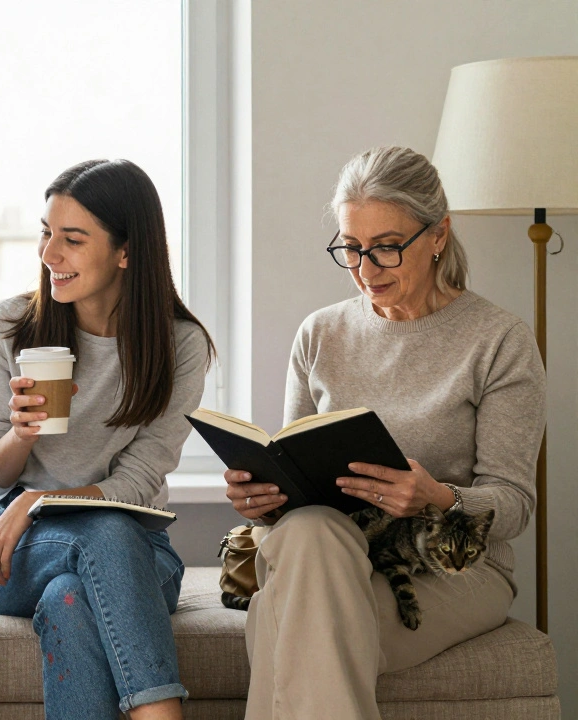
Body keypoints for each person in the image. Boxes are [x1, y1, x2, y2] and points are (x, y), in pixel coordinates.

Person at [225, 146, 546, 720]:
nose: (365, 269)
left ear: (438, 235)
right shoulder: (320, 333)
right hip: (329, 551)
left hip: (453, 569)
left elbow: (516, 504)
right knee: (308, 532)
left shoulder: (498, 340)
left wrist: (438, 498)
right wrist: (264, 499)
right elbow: (295, 472)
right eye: (351, 248)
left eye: (387, 247)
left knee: (289, 619)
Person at [0, 159, 214, 720]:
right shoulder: (9, 327)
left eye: (73, 240)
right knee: (100, 535)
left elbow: (137, 482)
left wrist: (38, 500)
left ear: (126, 251)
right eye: (46, 234)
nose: (50, 255)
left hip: (136, 547)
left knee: (69, 600)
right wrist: (20, 436)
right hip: (15, 548)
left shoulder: (180, 345)